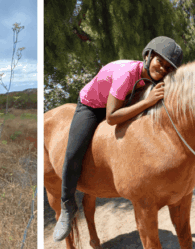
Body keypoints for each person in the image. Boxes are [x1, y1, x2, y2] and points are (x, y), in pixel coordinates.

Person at [52, 36, 184, 241]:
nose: (163, 69)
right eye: (160, 62)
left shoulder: (153, 77)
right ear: (148, 56)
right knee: (73, 153)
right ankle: (67, 206)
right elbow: (111, 117)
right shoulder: (126, 74)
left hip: (120, 103)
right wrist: (148, 102)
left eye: (168, 68)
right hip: (93, 106)